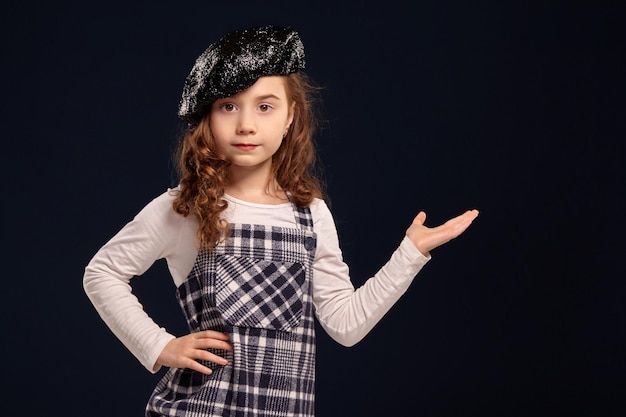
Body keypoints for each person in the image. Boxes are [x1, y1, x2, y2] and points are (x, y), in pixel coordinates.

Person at [83, 24, 479, 417]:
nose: (246, 125)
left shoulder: (310, 215)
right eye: (228, 106)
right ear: (207, 116)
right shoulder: (184, 208)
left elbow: (345, 325)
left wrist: (410, 254)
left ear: (291, 116)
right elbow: (101, 273)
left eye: (265, 106)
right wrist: (158, 346)